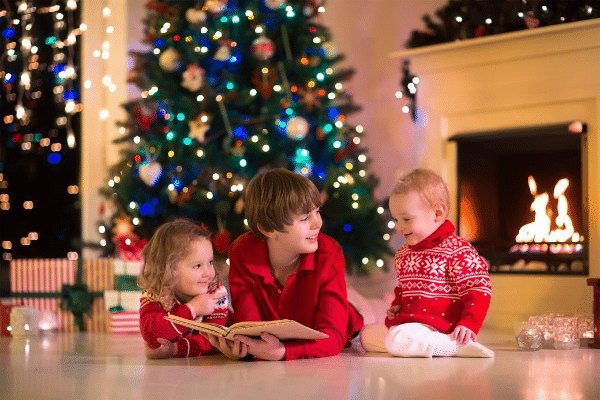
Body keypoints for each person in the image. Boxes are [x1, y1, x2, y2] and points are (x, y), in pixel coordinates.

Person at [207, 168, 364, 361]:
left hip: (347, 324)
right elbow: (249, 325)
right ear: (268, 229)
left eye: (317, 212)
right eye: (305, 218)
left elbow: (333, 336)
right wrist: (244, 348)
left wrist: (284, 352)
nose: (318, 223)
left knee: (366, 316)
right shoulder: (242, 250)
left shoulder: (329, 252)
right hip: (284, 329)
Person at [360, 168, 494, 357]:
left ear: (438, 213)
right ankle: (411, 343)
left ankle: (455, 345)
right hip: (411, 323)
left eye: (406, 219)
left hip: (441, 326)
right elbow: (405, 290)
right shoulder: (404, 253)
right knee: (366, 337)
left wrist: (469, 323)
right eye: (396, 219)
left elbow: (478, 289)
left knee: (397, 339)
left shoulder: (457, 250)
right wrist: (397, 306)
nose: (399, 227)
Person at [138, 218, 236, 359]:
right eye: (197, 266)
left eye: (209, 262)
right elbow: (153, 336)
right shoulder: (155, 296)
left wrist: (176, 349)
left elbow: (215, 340)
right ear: (168, 270)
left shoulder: (215, 294)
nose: (207, 273)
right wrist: (191, 309)